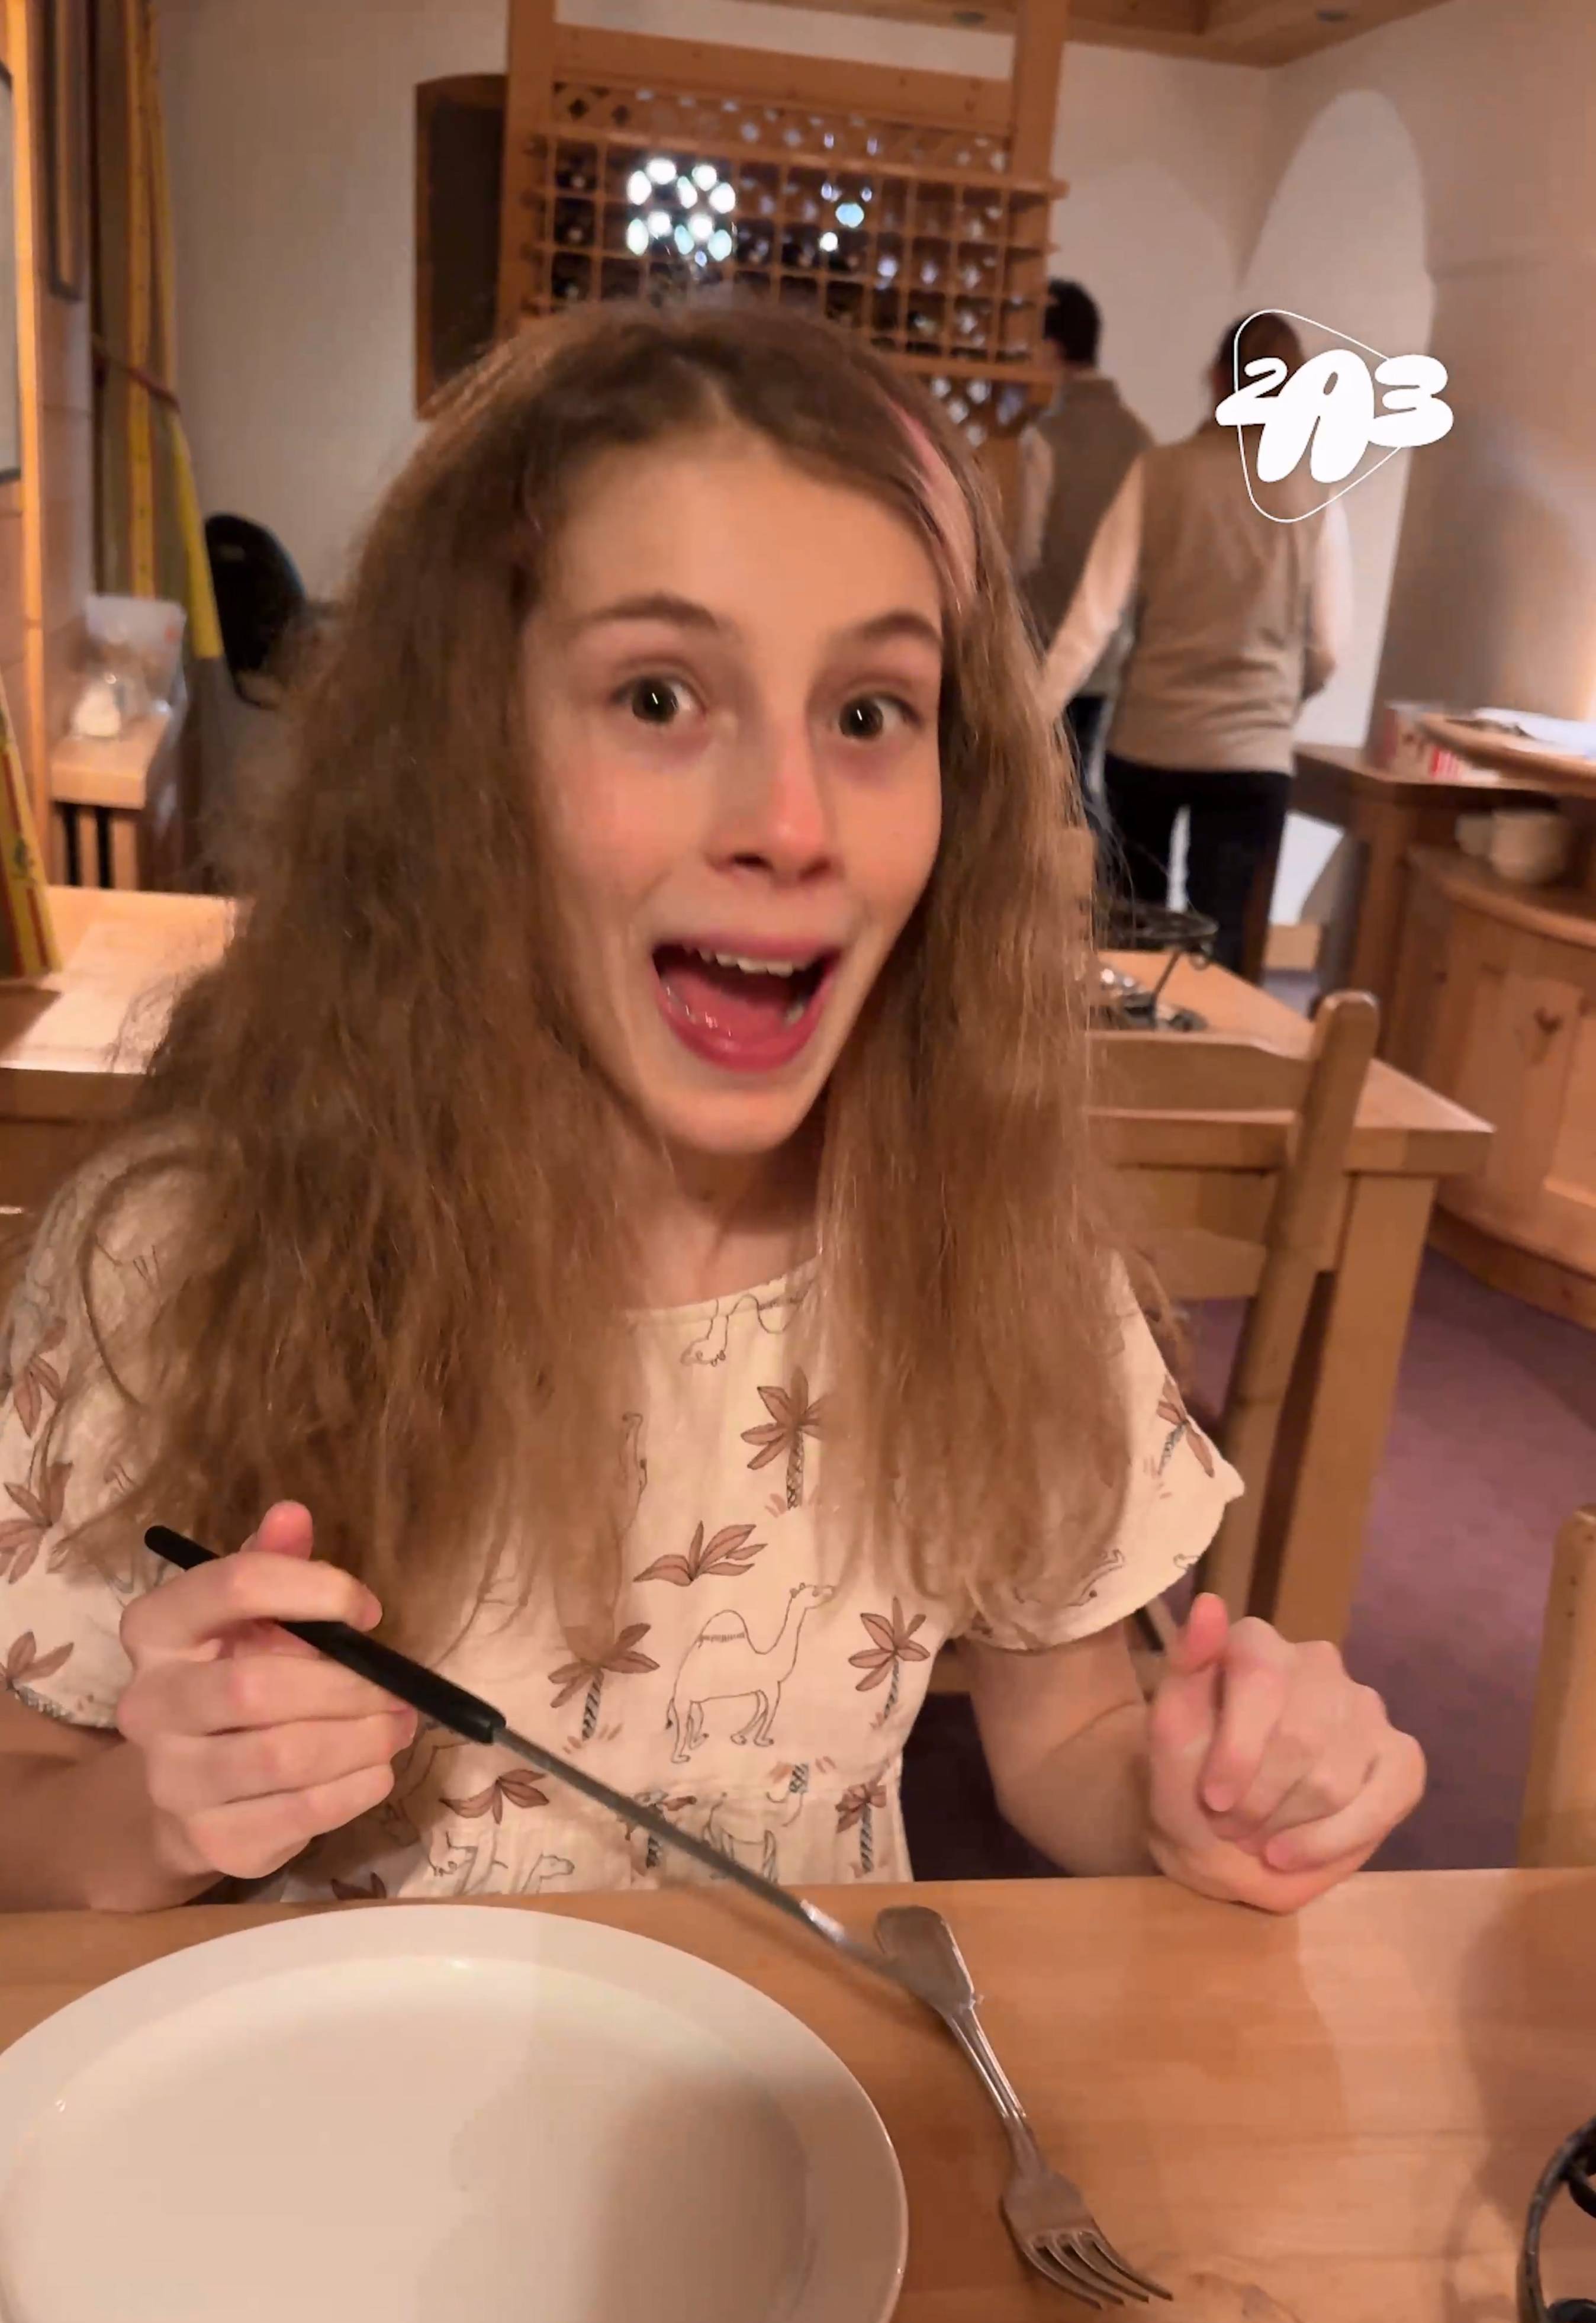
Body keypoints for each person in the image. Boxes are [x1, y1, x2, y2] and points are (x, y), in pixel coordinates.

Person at [0, 305, 1420, 1919]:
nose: (791, 822)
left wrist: (1193, 1793)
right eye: (660, 697)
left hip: (792, 2079)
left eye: (870, 713)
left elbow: (1070, 1729)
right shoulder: (179, 1261)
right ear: (463, 757)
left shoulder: (986, 1245)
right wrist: (149, 1810)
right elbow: (23, 1803)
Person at [1040, 311, 1353, 975]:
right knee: (1225, 945)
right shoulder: (1316, 492)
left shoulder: (1160, 473)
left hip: (1150, 742)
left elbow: (1093, 618)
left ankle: (1129, 1034)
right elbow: (1328, 645)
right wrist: (1277, 700)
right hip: (1253, 754)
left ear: (1216, 378)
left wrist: (1030, 715)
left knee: (1130, 933)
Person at [1014, 281, 1151, 801]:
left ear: (1051, 349)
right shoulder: (1141, 438)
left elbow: (1026, 552)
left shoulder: (1045, 438)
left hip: (1045, 645)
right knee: (1079, 784)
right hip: (1116, 656)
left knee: (1040, 793)